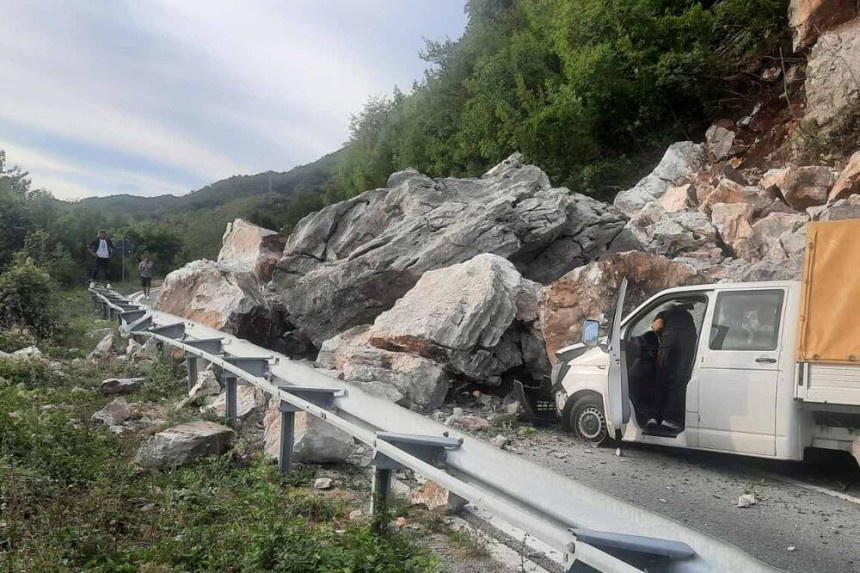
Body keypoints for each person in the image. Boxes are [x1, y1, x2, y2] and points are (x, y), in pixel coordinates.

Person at [647, 303, 697, 432]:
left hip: (666, 349)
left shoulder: (663, 314)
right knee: (679, 382)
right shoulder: (687, 316)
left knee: (660, 381)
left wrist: (659, 333)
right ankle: (670, 420)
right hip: (685, 348)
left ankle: (653, 417)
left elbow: (656, 326)